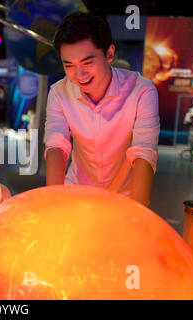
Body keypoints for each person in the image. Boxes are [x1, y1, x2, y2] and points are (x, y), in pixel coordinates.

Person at [45, 12, 160, 207]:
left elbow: (144, 153)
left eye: (87, 62)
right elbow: (56, 145)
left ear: (109, 53)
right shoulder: (59, 92)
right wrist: (53, 202)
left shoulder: (142, 90)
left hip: (124, 199)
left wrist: (137, 213)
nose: (79, 75)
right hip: (77, 193)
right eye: (69, 65)